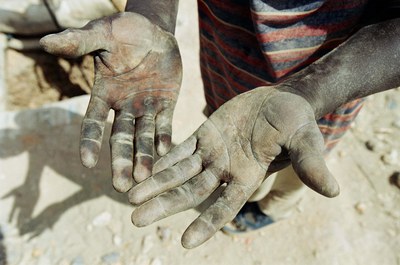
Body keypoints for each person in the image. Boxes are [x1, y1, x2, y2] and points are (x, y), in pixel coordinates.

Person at [39, 0, 400, 249]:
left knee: (296, 169)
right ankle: (252, 196)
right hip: (227, 69)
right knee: (230, 156)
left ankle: (276, 207)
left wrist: (310, 91)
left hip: (322, 95)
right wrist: (150, 15)